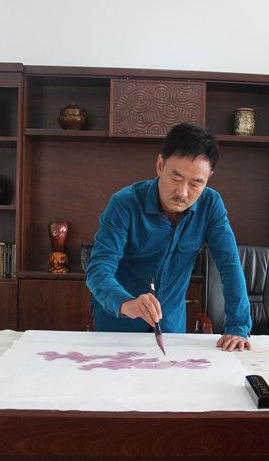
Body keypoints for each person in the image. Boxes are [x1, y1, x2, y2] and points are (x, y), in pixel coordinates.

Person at [85, 123, 252, 351]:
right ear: (160, 165)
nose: (183, 193)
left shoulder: (211, 205)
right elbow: (98, 269)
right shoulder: (124, 204)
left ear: (208, 178)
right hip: (118, 326)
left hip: (171, 328)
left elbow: (229, 265)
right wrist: (128, 303)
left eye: (196, 183)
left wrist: (238, 327)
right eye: (176, 178)